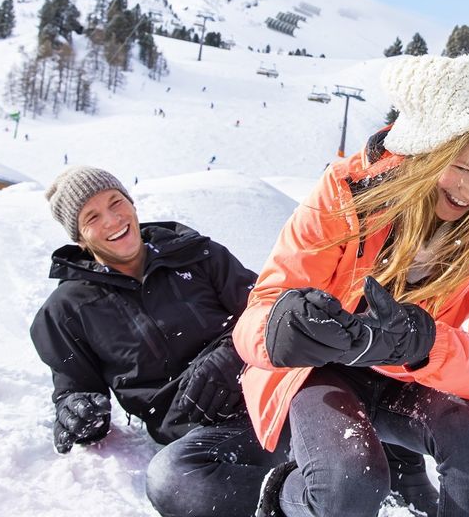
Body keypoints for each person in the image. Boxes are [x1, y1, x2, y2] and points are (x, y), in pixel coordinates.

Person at [234, 54, 469, 517]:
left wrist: (428, 344)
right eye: (462, 167)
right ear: (428, 145)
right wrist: (281, 329)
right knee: (349, 484)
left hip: (410, 375)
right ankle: (283, 499)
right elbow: (259, 313)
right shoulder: (346, 190)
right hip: (323, 371)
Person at [29, 166, 288, 517]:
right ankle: (308, 495)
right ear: (80, 238)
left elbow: (268, 312)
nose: (112, 219)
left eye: (116, 202)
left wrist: (232, 355)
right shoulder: (65, 310)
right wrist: (78, 412)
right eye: (92, 216)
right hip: (208, 435)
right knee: (172, 481)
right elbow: (74, 387)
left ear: (132, 205)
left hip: (273, 399)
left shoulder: (198, 255)